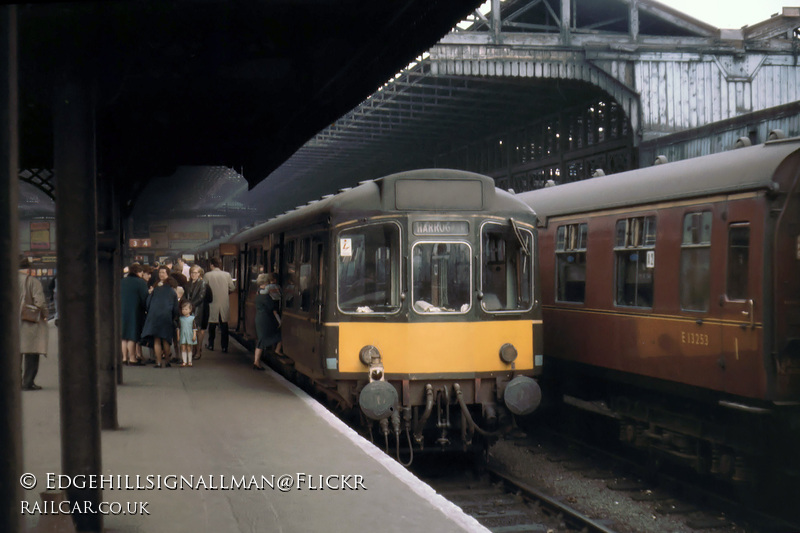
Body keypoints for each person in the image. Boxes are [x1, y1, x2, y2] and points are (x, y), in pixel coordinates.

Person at [140, 266, 180, 368]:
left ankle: (158, 362)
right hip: (166, 316)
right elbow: (176, 307)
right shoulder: (172, 291)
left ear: (167, 273)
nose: (161, 274)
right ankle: (167, 361)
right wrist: (174, 317)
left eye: (163, 272)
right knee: (165, 339)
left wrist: (150, 312)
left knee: (157, 339)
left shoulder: (155, 289)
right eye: (160, 272)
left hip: (154, 315)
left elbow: (148, 303)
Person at [19, 256, 48, 390]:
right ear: (28, 267)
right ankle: (28, 382)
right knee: (31, 352)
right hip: (29, 322)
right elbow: (40, 303)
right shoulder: (33, 282)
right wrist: (45, 315)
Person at [204, 257, 235, 353]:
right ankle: (224, 347)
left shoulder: (207, 275)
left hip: (212, 303)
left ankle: (211, 345)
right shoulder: (227, 275)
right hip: (224, 303)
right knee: (224, 325)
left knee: (212, 325)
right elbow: (232, 288)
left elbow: (204, 288)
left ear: (211, 265)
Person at [120, 263, 148, 365]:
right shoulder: (141, 283)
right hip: (135, 311)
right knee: (132, 335)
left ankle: (124, 357)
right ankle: (132, 358)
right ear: (138, 272)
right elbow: (145, 298)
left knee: (123, 336)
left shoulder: (122, 281)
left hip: (121, 311)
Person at [253, 273, 282, 370]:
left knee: (261, 339)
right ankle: (257, 361)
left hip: (259, 318)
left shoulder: (258, 293)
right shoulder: (266, 296)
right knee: (278, 334)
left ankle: (256, 361)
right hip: (266, 319)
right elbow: (271, 308)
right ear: (266, 282)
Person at [186, 265, 209, 359]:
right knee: (192, 330)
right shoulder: (189, 283)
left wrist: (190, 305)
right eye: (192, 272)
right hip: (190, 308)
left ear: (200, 274)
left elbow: (201, 297)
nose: (193, 274)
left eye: (195, 273)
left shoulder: (202, 283)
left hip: (200, 309)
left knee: (198, 330)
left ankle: (198, 350)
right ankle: (194, 349)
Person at [177, 300, 197, 367]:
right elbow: (178, 328)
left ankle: (190, 361)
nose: (184, 310)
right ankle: (184, 361)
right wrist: (178, 336)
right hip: (183, 335)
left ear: (190, 310)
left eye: (186, 309)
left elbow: (194, 328)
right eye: (183, 309)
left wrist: (194, 335)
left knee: (189, 347)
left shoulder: (192, 318)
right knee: (183, 347)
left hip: (189, 334)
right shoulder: (180, 319)